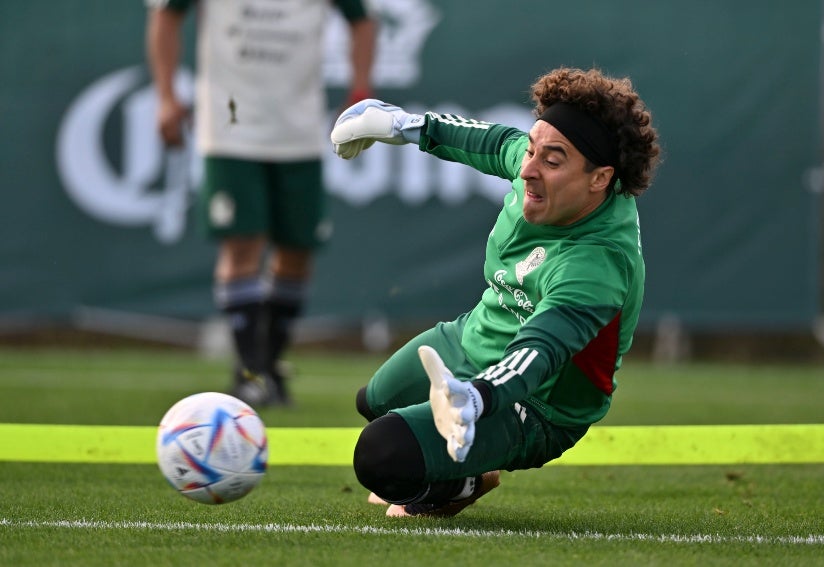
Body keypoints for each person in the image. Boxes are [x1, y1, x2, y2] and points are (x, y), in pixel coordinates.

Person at [330, 67, 661, 517]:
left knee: (381, 456)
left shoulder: (598, 262)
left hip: (539, 402)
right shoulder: (544, 171)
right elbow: (489, 140)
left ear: (600, 179)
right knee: (375, 401)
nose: (528, 169)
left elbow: (540, 351)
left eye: (552, 160)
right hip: (475, 337)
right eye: (532, 150)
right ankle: (456, 463)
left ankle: (465, 483)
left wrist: (479, 395)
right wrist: (405, 125)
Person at [146, 0, 377, 406]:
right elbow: (166, 14)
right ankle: (250, 372)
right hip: (229, 128)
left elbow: (361, 20)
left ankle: (268, 366)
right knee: (242, 244)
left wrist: (359, 90)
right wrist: (165, 95)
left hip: (300, 129)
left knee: (297, 252)